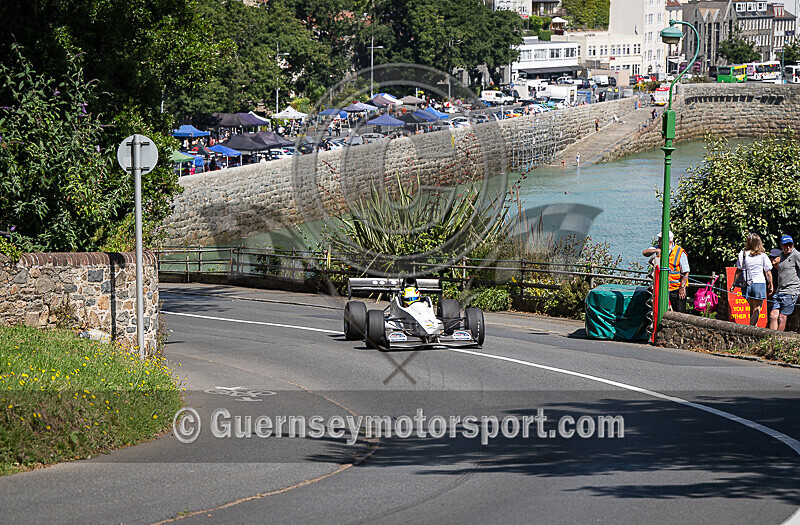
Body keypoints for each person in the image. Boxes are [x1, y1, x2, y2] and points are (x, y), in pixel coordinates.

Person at [732, 233, 774, 326]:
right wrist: (771, 284)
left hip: (747, 283)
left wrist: (734, 283)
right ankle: (751, 330)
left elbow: (738, 270)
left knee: (751, 308)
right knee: (757, 309)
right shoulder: (762, 255)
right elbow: (768, 272)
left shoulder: (742, 254)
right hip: (759, 283)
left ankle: (752, 327)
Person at [643, 231, 690, 313]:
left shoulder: (679, 252)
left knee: (678, 312)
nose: (658, 241)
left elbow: (685, 272)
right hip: (663, 288)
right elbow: (645, 252)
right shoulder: (658, 248)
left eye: (660, 240)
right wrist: (656, 250)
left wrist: (682, 288)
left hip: (676, 288)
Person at [768, 235, 800, 331]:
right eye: (786, 245)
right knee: (773, 316)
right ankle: (771, 340)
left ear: (793, 244)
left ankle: (778, 340)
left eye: (790, 245)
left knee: (782, 317)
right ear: (781, 245)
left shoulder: (796, 255)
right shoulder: (781, 256)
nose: (788, 247)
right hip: (780, 291)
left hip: (791, 291)